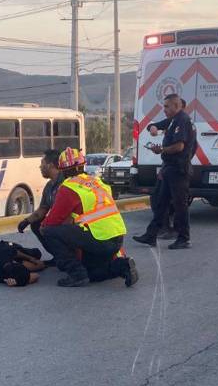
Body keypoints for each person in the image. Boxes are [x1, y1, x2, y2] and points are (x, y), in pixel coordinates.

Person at [40, 148, 139, 288]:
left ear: (62, 169)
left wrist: (43, 225)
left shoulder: (69, 187)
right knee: (93, 273)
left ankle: (76, 273)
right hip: (117, 239)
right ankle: (123, 266)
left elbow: (52, 221)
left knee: (49, 231)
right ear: (83, 165)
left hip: (98, 239)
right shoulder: (98, 181)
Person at [133, 93, 195, 249]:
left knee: (180, 205)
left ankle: (184, 238)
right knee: (160, 203)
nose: (164, 109)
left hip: (178, 169)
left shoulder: (182, 120)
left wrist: (162, 149)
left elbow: (179, 146)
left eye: (167, 106)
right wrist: (153, 127)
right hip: (169, 169)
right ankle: (151, 235)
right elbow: (156, 125)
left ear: (176, 106)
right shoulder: (173, 120)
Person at [16, 148, 62, 260]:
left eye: (42, 163)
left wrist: (47, 224)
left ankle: (69, 260)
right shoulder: (49, 187)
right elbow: (43, 209)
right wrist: (27, 221)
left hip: (69, 224)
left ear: (50, 165)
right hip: (58, 223)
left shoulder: (65, 183)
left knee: (47, 228)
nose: (40, 167)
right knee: (36, 223)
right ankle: (58, 256)